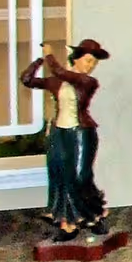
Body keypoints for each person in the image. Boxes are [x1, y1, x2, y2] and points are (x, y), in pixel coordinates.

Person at [21, 39, 111, 241]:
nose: (90, 66)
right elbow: (27, 80)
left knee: (80, 176)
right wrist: (38, 62)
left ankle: (93, 215)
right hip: (59, 134)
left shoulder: (88, 82)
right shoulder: (56, 83)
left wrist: (49, 56)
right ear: (76, 59)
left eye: (93, 63)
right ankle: (67, 222)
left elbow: (61, 72)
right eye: (87, 61)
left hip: (81, 133)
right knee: (61, 175)